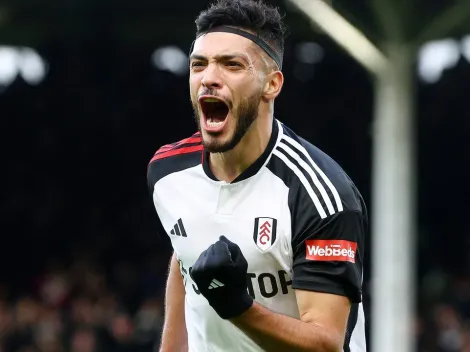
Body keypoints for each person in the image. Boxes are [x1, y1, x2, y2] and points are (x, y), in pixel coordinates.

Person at [147, 0, 367, 351]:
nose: (209, 78)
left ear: (272, 84)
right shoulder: (167, 172)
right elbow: (185, 255)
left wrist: (237, 305)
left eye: (232, 65)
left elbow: (327, 343)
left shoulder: (319, 194)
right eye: (198, 65)